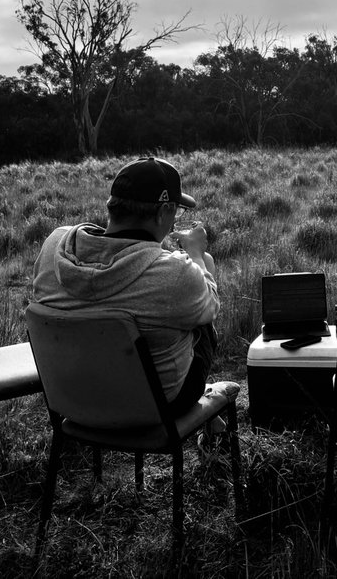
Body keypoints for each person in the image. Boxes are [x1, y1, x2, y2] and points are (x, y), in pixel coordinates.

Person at [31, 155, 220, 415]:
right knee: (202, 305)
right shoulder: (177, 274)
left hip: (73, 399)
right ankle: (211, 425)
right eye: (176, 211)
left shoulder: (55, 244)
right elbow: (211, 307)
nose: (175, 218)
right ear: (164, 212)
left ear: (113, 206)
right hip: (150, 409)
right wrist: (197, 255)